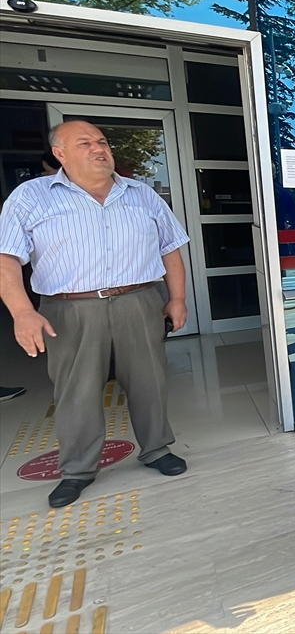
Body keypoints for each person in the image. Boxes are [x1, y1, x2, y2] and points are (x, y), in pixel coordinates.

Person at [0, 119, 190, 508]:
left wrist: (177, 299)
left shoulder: (141, 194)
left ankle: (156, 449)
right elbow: (7, 260)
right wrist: (21, 312)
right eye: (84, 143)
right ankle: (78, 469)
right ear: (60, 154)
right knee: (76, 389)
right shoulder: (31, 197)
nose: (98, 148)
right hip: (70, 308)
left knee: (149, 380)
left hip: (138, 300)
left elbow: (171, 248)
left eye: (101, 141)